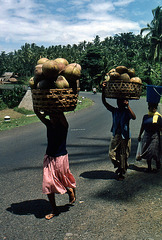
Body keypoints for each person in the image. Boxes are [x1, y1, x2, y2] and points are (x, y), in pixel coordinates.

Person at [34, 109, 76, 220]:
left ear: (58, 117)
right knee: (48, 183)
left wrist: (57, 108)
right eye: (50, 117)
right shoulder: (48, 125)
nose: (51, 119)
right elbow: (38, 114)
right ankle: (54, 209)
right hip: (49, 157)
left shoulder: (64, 126)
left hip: (61, 158)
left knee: (62, 179)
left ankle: (70, 190)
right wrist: (36, 106)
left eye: (54, 116)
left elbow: (61, 116)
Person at [102, 81, 136, 180]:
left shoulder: (127, 112)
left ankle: (121, 171)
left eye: (120, 102)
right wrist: (103, 90)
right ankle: (121, 166)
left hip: (125, 136)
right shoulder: (115, 111)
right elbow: (105, 103)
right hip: (116, 134)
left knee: (123, 154)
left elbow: (134, 117)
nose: (118, 103)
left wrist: (128, 106)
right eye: (118, 102)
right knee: (112, 154)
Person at [138, 102, 162, 172]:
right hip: (147, 135)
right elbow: (142, 126)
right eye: (152, 107)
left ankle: (158, 163)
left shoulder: (158, 117)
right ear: (149, 108)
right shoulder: (145, 116)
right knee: (147, 151)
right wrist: (140, 135)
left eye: (155, 108)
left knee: (154, 151)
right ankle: (149, 167)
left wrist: (157, 126)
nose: (153, 109)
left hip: (155, 136)